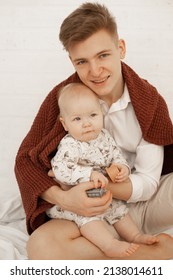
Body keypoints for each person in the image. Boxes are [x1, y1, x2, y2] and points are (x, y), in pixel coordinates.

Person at [15, 2, 173, 260]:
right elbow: (24, 161)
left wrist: (101, 183)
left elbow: (148, 183)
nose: (95, 71)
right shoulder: (63, 100)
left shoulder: (148, 101)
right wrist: (66, 199)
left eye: (103, 55)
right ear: (71, 61)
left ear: (120, 49)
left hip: (145, 203)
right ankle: (155, 253)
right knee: (41, 247)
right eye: (82, 61)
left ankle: (125, 242)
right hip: (89, 211)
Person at [46, 82, 158, 258]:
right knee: (88, 221)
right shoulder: (70, 144)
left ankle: (136, 236)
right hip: (79, 200)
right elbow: (59, 169)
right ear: (65, 124)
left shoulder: (104, 136)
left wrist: (123, 168)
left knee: (119, 211)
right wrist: (89, 174)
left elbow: (116, 156)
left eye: (92, 115)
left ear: (101, 113)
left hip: (104, 194)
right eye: (77, 119)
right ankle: (109, 245)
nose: (87, 124)